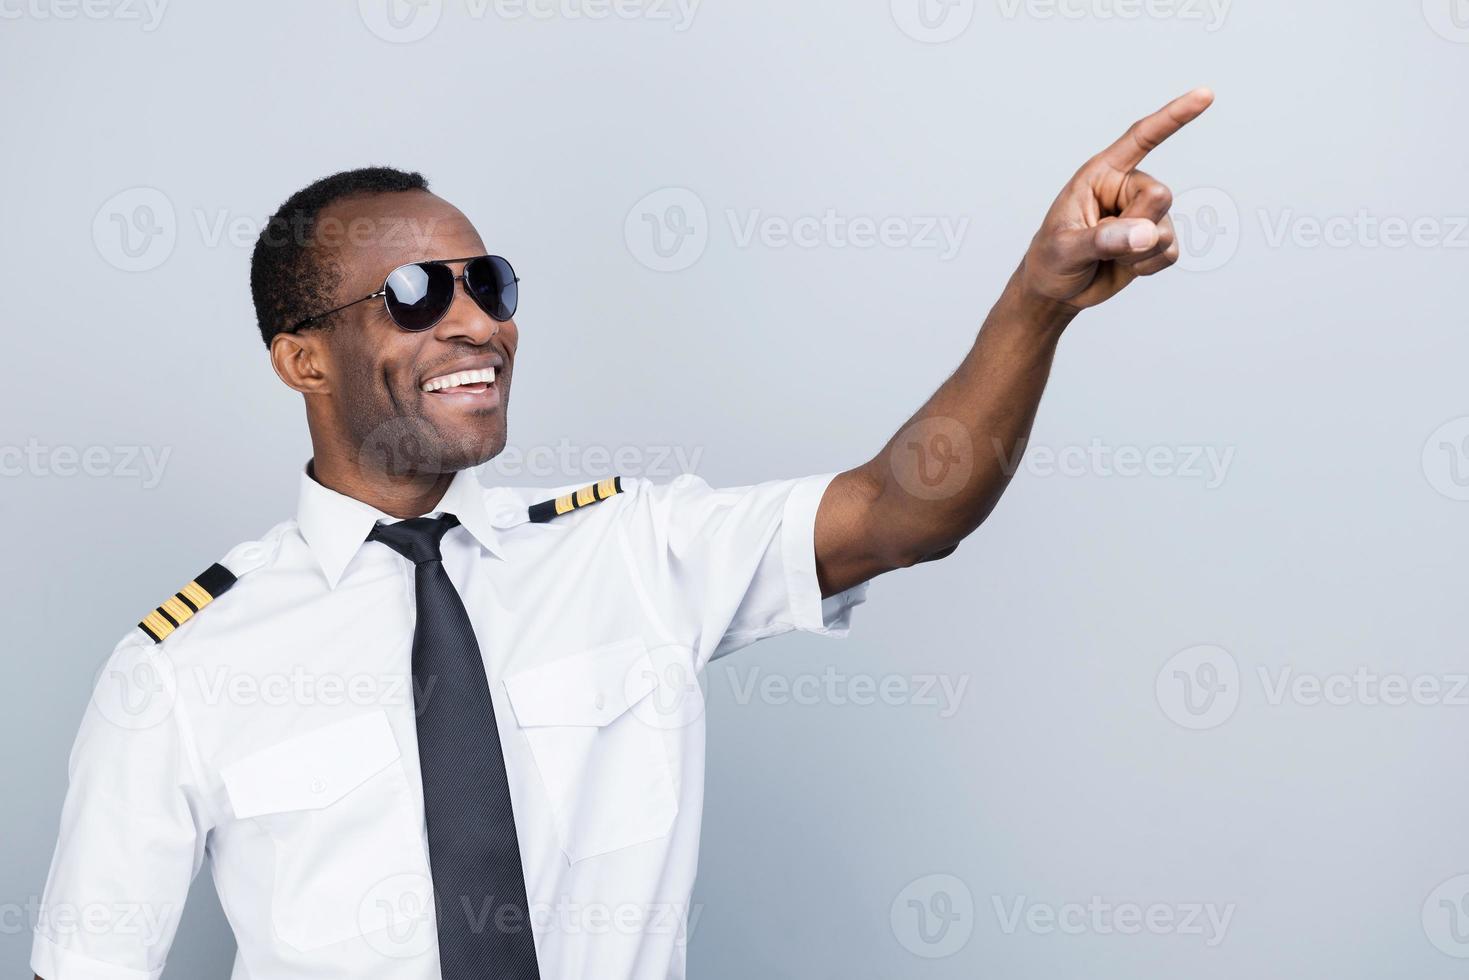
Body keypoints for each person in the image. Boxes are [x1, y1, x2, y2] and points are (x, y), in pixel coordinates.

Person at [31, 88, 1213, 980]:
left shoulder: (630, 552)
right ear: (298, 356)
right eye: (413, 295)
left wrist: (1036, 301)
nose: (472, 324)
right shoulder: (182, 668)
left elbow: (906, 509)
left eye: (487, 283)